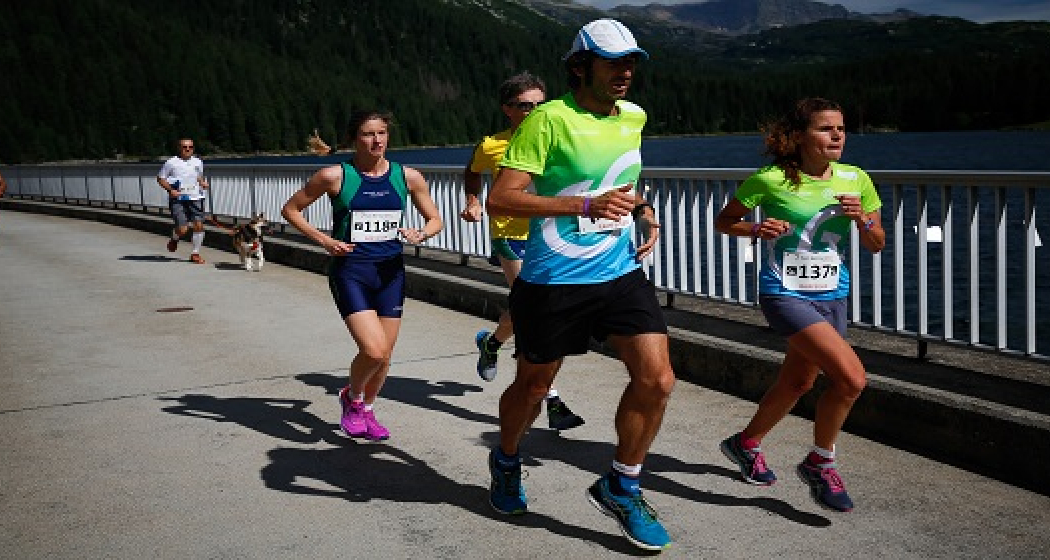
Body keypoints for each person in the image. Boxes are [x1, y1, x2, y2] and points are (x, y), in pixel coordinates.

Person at [484, 19, 674, 551]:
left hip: (619, 273)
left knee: (657, 380)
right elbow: (502, 198)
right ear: (579, 66)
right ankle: (506, 459)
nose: (625, 71)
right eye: (613, 62)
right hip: (553, 281)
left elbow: (621, 179)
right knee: (533, 388)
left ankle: (622, 485)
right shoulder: (547, 120)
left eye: (631, 61)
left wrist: (643, 209)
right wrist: (583, 205)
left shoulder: (633, 116)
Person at [713, 97, 885, 512]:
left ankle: (745, 443)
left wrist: (862, 218)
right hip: (784, 293)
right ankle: (820, 462)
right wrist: (757, 229)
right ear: (799, 137)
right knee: (851, 380)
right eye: (826, 128)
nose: (837, 135)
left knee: (798, 383)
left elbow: (877, 243)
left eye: (841, 128)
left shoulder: (856, 178)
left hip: (832, 295)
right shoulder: (770, 180)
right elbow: (724, 221)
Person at [281, 110, 443, 441]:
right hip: (351, 272)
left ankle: (367, 409)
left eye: (382, 133)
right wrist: (325, 241)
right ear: (355, 138)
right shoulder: (334, 176)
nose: (376, 141)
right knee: (374, 350)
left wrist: (421, 233)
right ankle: (352, 398)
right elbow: (291, 210)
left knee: (385, 357)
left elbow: (435, 219)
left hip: (390, 274)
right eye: (368, 134)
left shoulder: (408, 176)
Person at [461, 72, 585, 431]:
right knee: (535, 311)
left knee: (526, 311)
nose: (533, 111)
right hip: (510, 235)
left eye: (540, 105)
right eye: (524, 106)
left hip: (550, 235)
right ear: (507, 109)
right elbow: (472, 172)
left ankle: (492, 343)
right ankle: (552, 400)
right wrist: (473, 200)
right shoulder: (492, 146)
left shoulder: (557, 139)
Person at [157, 138, 210, 264]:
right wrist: (170, 190)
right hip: (178, 199)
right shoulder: (171, 162)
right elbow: (160, 178)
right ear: (179, 148)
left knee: (199, 225)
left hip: (196, 197)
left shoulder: (198, 162)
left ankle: (195, 254)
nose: (187, 149)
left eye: (190, 147)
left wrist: (203, 183)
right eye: (184, 147)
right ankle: (175, 238)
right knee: (182, 229)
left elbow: (199, 176)